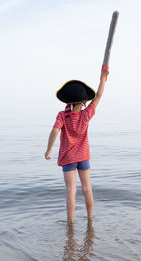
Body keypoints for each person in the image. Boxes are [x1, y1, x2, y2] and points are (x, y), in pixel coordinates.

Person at [45, 67, 109, 224]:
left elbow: (54, 131)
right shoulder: (86, 115)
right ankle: (90, 219)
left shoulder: (62, 115)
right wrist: (103, 79)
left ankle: (70, 224)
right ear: (83, 101)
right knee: (87, 189)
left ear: (68, 101)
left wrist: (48, 149)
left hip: (68, 158)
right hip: (83, 156)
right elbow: (99, 96)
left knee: (71, 191)